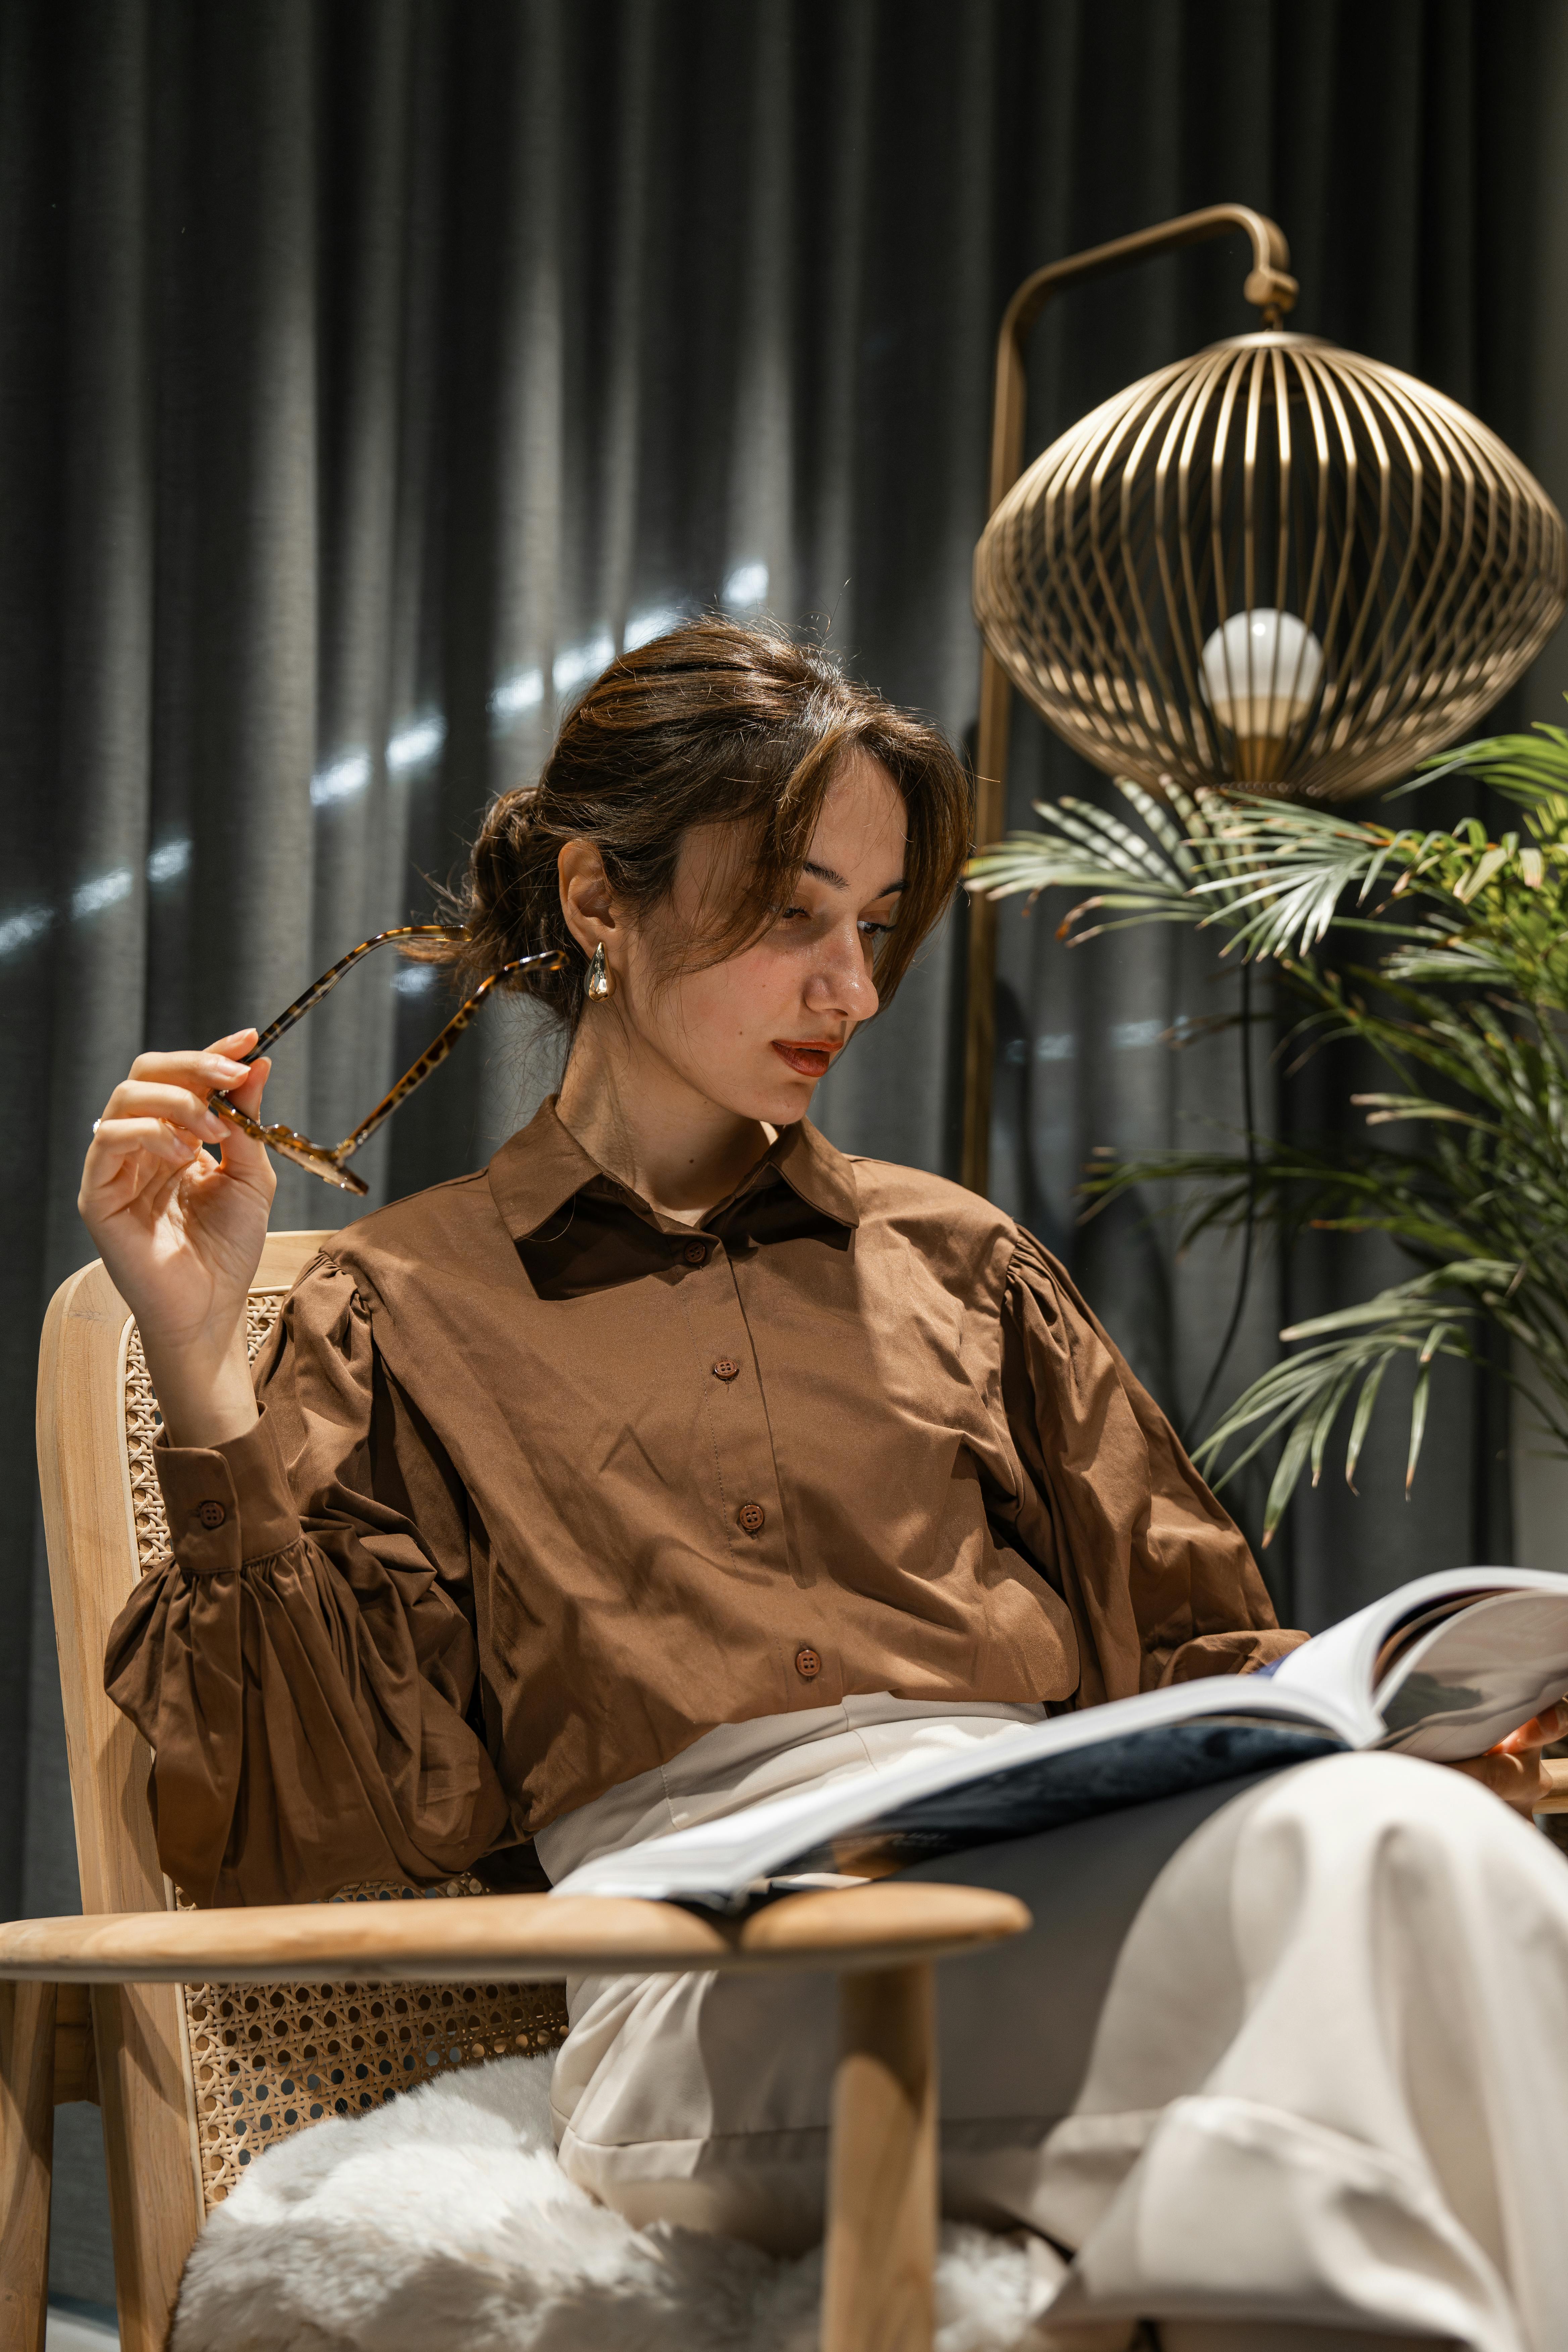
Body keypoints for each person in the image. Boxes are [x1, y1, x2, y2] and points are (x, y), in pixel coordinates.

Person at [82, 621, 1568, 2352]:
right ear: (595, 904)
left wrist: (1430, 1704)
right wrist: (198, 1365)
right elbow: (301, 1826)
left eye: (871, 928)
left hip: (1048, 1854)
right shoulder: (401, 1308)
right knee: (1380, 1943)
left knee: (1399, 1834)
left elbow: (1184, 1654)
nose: (850, 989)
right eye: (793, 913)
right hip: (712, 1975)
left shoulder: (961, 1263)